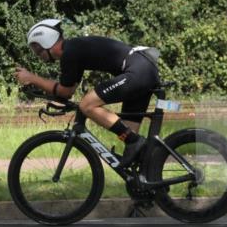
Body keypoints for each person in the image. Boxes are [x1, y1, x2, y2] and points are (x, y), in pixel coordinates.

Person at [14, 18, 160, 168]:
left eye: (37, 49)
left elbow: (64, 91)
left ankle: (134, 142)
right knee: (132, 143)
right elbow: (68, 91)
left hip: (139, 71)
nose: (37, 55)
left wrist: (32, 78)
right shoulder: (74, 49)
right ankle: (150, 179)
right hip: (142, 70)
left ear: (46, 41)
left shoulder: (70, 52)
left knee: (87, 104)